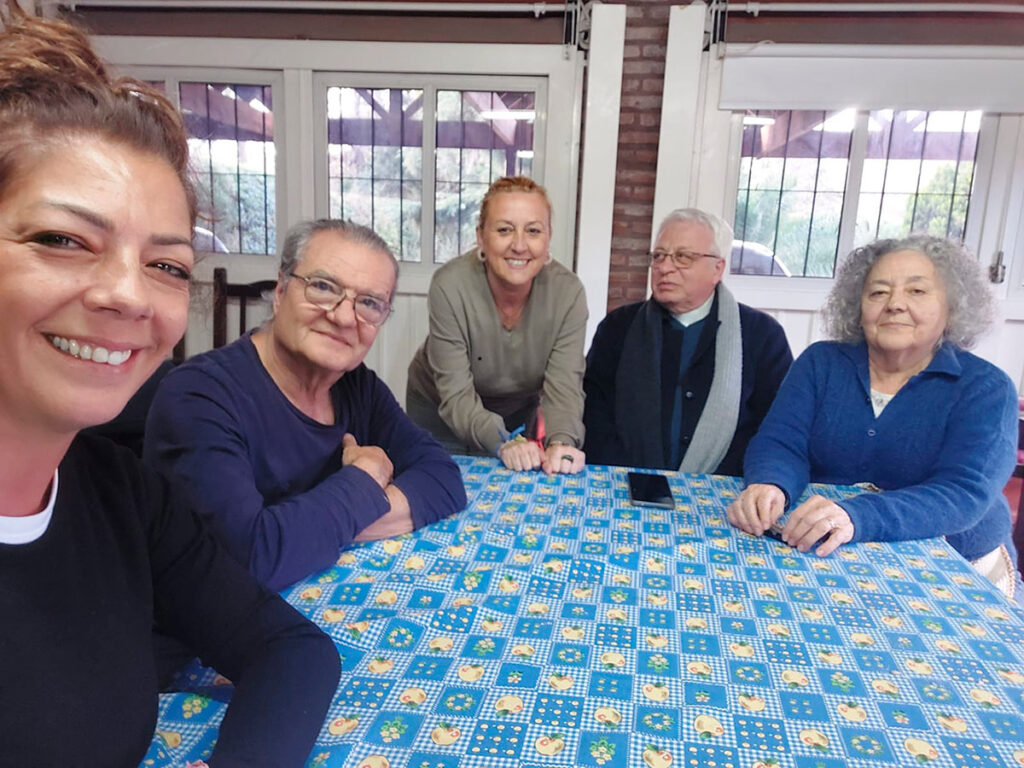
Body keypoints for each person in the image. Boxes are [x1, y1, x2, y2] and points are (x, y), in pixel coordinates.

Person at [0, 11, 338, 765]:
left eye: (167, 265)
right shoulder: (204, 397)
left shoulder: (118, 494)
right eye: (63, 240)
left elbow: (292, 648)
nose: (128, 294)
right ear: (282, 293)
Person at [145, 220, 466, 591]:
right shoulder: (199, 397)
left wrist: (318, 528)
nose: (345, 317)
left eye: (369, 303)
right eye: (323, 287)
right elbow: (246, 561)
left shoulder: (356, 386)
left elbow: (443, 478)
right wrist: (365, 481)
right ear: (281, 290)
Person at [728, 235, 1020, 600]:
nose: (895, 304)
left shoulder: (987, 388)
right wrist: (771, 484)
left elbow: (962, 492)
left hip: (954, 565)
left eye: (917, 291)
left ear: (952, 307)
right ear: (858, 305)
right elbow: (781, 442)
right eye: (878, 293)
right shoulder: (821, 363)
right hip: (832, 556)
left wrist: (857, 516)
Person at [583, 208, 792, 475]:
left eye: (682, 257)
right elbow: (594, 414)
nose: (664, 267)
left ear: (717, 269)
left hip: (725, 492)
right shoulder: (618, 328)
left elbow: (776, 427)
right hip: (626, 484)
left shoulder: (762, 336)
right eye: (659, 256)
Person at [406, 176, 587, 475]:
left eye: (533, 231)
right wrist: (504, 441)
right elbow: (456, 395)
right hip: (440, 409)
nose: (519, 245)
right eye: (504, 230)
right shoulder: (450, 285)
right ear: (481, 236)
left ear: (548, 236)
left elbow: (565, 387)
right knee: (441, 491)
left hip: (515, 410)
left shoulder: (568, 294)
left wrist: (561, 442)